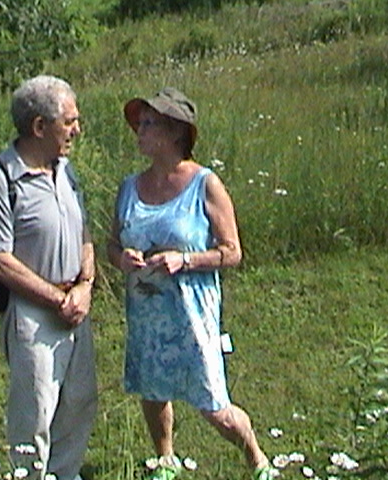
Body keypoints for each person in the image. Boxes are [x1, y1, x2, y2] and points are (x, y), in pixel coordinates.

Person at [107, 87, 276, 480]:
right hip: (147, 315)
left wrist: (184, 260)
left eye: (149, 124)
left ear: (176, 133)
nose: (139, 132)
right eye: (139, 124)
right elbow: (112, 244)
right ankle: (166, 459)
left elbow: (232, 252)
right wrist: (121, 258)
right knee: (153, 392)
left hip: (191, 316)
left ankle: (258, 460)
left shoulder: (205, 184)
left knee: (214, 406)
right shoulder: (129, 187)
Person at [0, 75, 97, 480]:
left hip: (76, 307)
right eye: (69, 122)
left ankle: (65, 474)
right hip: (33, 315)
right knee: (36, 411)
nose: (77, 130)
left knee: (79, 401)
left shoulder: (66, 169)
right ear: (40, 126)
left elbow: (84, 232)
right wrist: (58, 299)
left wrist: (85, 286)